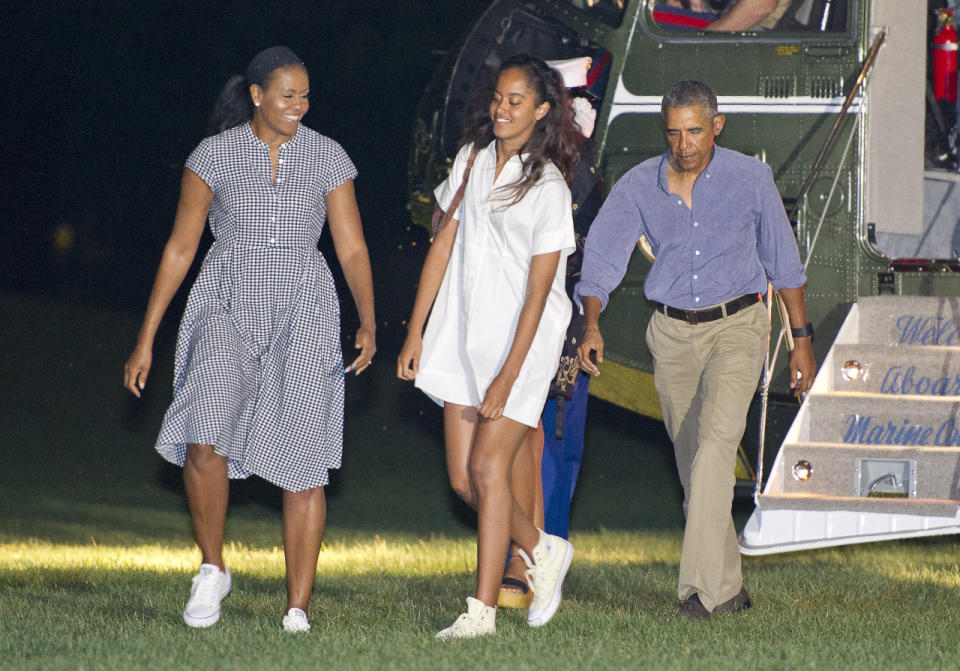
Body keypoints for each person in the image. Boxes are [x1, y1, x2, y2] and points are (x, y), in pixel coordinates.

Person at [123, 46, 376, 633]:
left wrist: (366, 317)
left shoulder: (327, 156)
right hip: (225, 302)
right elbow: (180, 248)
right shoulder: (213, 156)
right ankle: (213, 568)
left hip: (305, 309)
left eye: (306, 95)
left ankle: (297, 607)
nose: (299, 106)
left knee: (305, 459)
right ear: (258, 95)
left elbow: (353, 246)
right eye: (288, 95)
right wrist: (146, 338)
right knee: (204, 441)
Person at [575, 80, 816, 621]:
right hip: (672, 334)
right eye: (674, 132)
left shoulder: (751, 179)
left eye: (695, 131)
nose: (684, 144)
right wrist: (591, 324)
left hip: (739, 325)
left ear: (717, 125)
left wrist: (801, 343)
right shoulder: (640, 185)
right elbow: (603, 262)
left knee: (714, 449)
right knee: (694, 471)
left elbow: (785, 264)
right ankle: (729, 588)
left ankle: (696, 595)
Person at [397, 54, 579, 639]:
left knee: (487, 465)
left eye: (516, 100)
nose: (502, 108)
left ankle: (482, 613)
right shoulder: (471, 161)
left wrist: (508, 375)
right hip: (462, 332)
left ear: (543, 110)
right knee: (464, 482)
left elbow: (539, 293)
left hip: (523, 342)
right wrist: (415, 329)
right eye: (498, 98)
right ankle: (542, 548)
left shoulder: (548, 184)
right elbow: (443, 244)